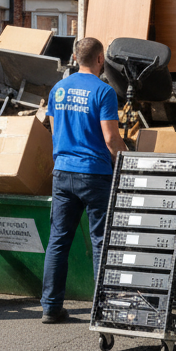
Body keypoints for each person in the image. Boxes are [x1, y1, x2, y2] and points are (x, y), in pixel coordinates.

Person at [39, 36, 126, 323]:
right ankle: (104, 309)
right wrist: (131, 159)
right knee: (101, 241)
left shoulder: (58, 90)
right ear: (100, 59)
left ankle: (51, 307)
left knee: (58, 241)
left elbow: (55, 131)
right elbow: (111, 138)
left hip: (63, 172)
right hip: (95, 174)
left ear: (76, 58)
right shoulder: (104, 92)